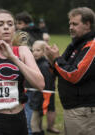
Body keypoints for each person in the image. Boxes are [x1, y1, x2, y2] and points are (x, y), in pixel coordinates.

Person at [45, 7, 95, 135]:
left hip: (83, 111)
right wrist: (52, 60)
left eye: (75, 24)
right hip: (72, 109)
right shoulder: (74, 44)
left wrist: (56, 58)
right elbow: (60, 71)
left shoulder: (92, 45)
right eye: (70, 24)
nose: (71, 27)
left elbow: (74, 75)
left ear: (87, 24)